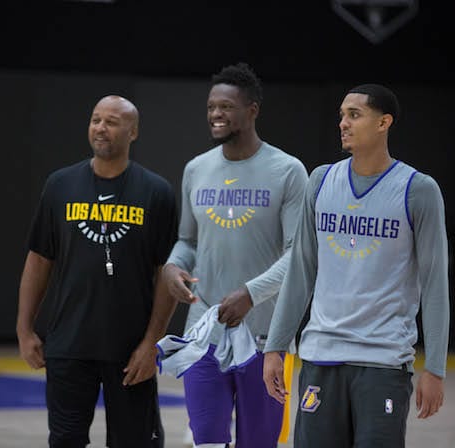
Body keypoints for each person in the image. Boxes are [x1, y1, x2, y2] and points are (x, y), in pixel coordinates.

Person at [263, 84, 450, 447]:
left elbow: (434, 283)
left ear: (384, 123)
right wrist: (276, 346)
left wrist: (436, 368)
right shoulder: (320, 181)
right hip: (321, 356)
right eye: (341, 116)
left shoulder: (418, 189)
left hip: (382, 362)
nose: (343, 124)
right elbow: (301, 269)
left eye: (354, 115)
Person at [16, 95, 178, 447]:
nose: (101, 128)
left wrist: (151, 344)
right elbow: (39, 259)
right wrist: (24, 328)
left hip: (130, 349)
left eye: (112, 121)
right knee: (65, 440)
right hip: (69, 344)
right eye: (95, 120)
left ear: (133, 132)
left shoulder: (156, 192)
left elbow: (167, 273)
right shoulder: (59, 185)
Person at [161, 62, 309, 448]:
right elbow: (187, 240)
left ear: (252, 110)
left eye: (226, 107)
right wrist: (174, 265)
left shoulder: (288, 171)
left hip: (264, 338)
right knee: (206, 441)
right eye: (211, 107)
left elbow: (300, 254)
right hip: (204, 330)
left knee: (258, 443)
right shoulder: (196, 169)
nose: (215, 115)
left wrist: (251, 293)